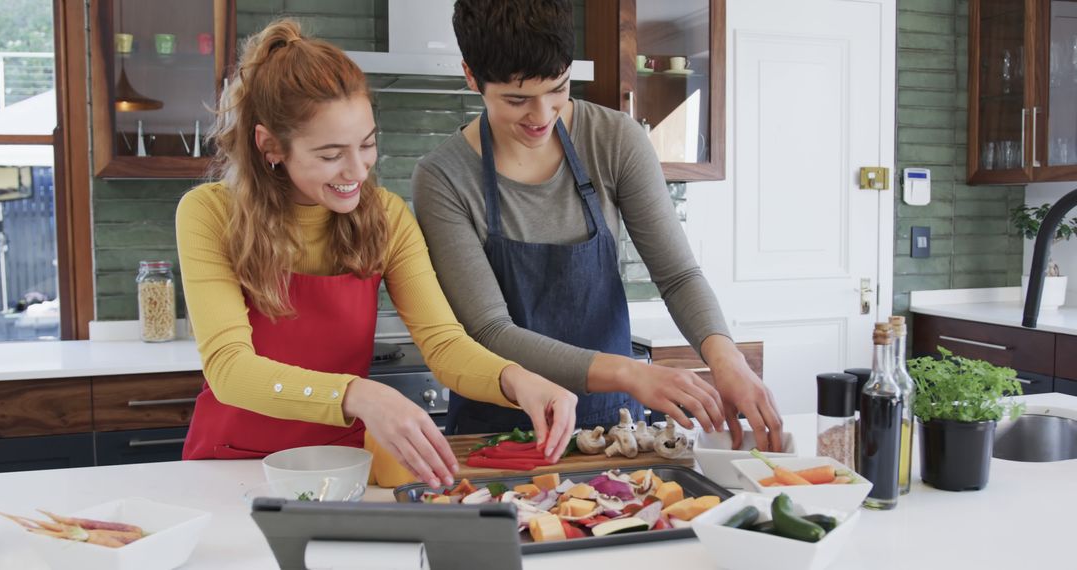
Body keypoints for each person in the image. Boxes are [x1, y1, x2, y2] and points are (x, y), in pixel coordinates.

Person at [176, 19, 578, 488]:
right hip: (233, 466)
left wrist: (516, 380)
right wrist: (359, 394)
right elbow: (229, 368)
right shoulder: (209, 214)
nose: (356, 170)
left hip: (343, 467)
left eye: (366, 145)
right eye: (330, 155)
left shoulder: (385, 217)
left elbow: (444, 344)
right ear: (270, 146)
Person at [411, 0, 784, 450]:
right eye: (517, 99)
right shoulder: (444, 177)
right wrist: (630, 371)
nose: (543, 115)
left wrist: (727, 358)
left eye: (559, 88)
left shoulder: (615, 140)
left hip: (611, 429)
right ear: (472, 76)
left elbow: (678, 275)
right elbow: (492, 331)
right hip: (496, 435)